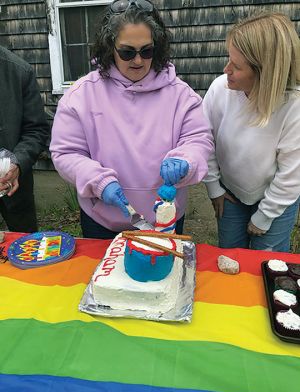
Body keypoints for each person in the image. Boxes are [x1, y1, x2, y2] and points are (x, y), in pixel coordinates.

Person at [50, 0, 213, 239]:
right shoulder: (81, 96)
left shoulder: (181, 95)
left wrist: (186, 159)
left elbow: (199, 140)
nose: (138, 61)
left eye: (146, 51)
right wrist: (98, 182)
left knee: (161, 275)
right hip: (103, 221)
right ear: (109, 48)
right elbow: (65, 153)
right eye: (127, 52)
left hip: (164, 219)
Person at [203, 12, 300, 252]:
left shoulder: (293, 105)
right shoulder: (219, 90)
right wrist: (214, 188)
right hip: (231, 193)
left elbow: (292, 173)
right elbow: (204, 140)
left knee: (267, 263)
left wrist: (265, 215)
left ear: (265, 74)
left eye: (236, 66)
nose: (226, 69)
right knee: (230, 254)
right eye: (229, 60)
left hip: (277, 199)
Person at [0, 45, 49, 233]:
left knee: (24, 247)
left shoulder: (19, 71)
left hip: (14, 184)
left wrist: (17, 163)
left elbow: (36, 129)